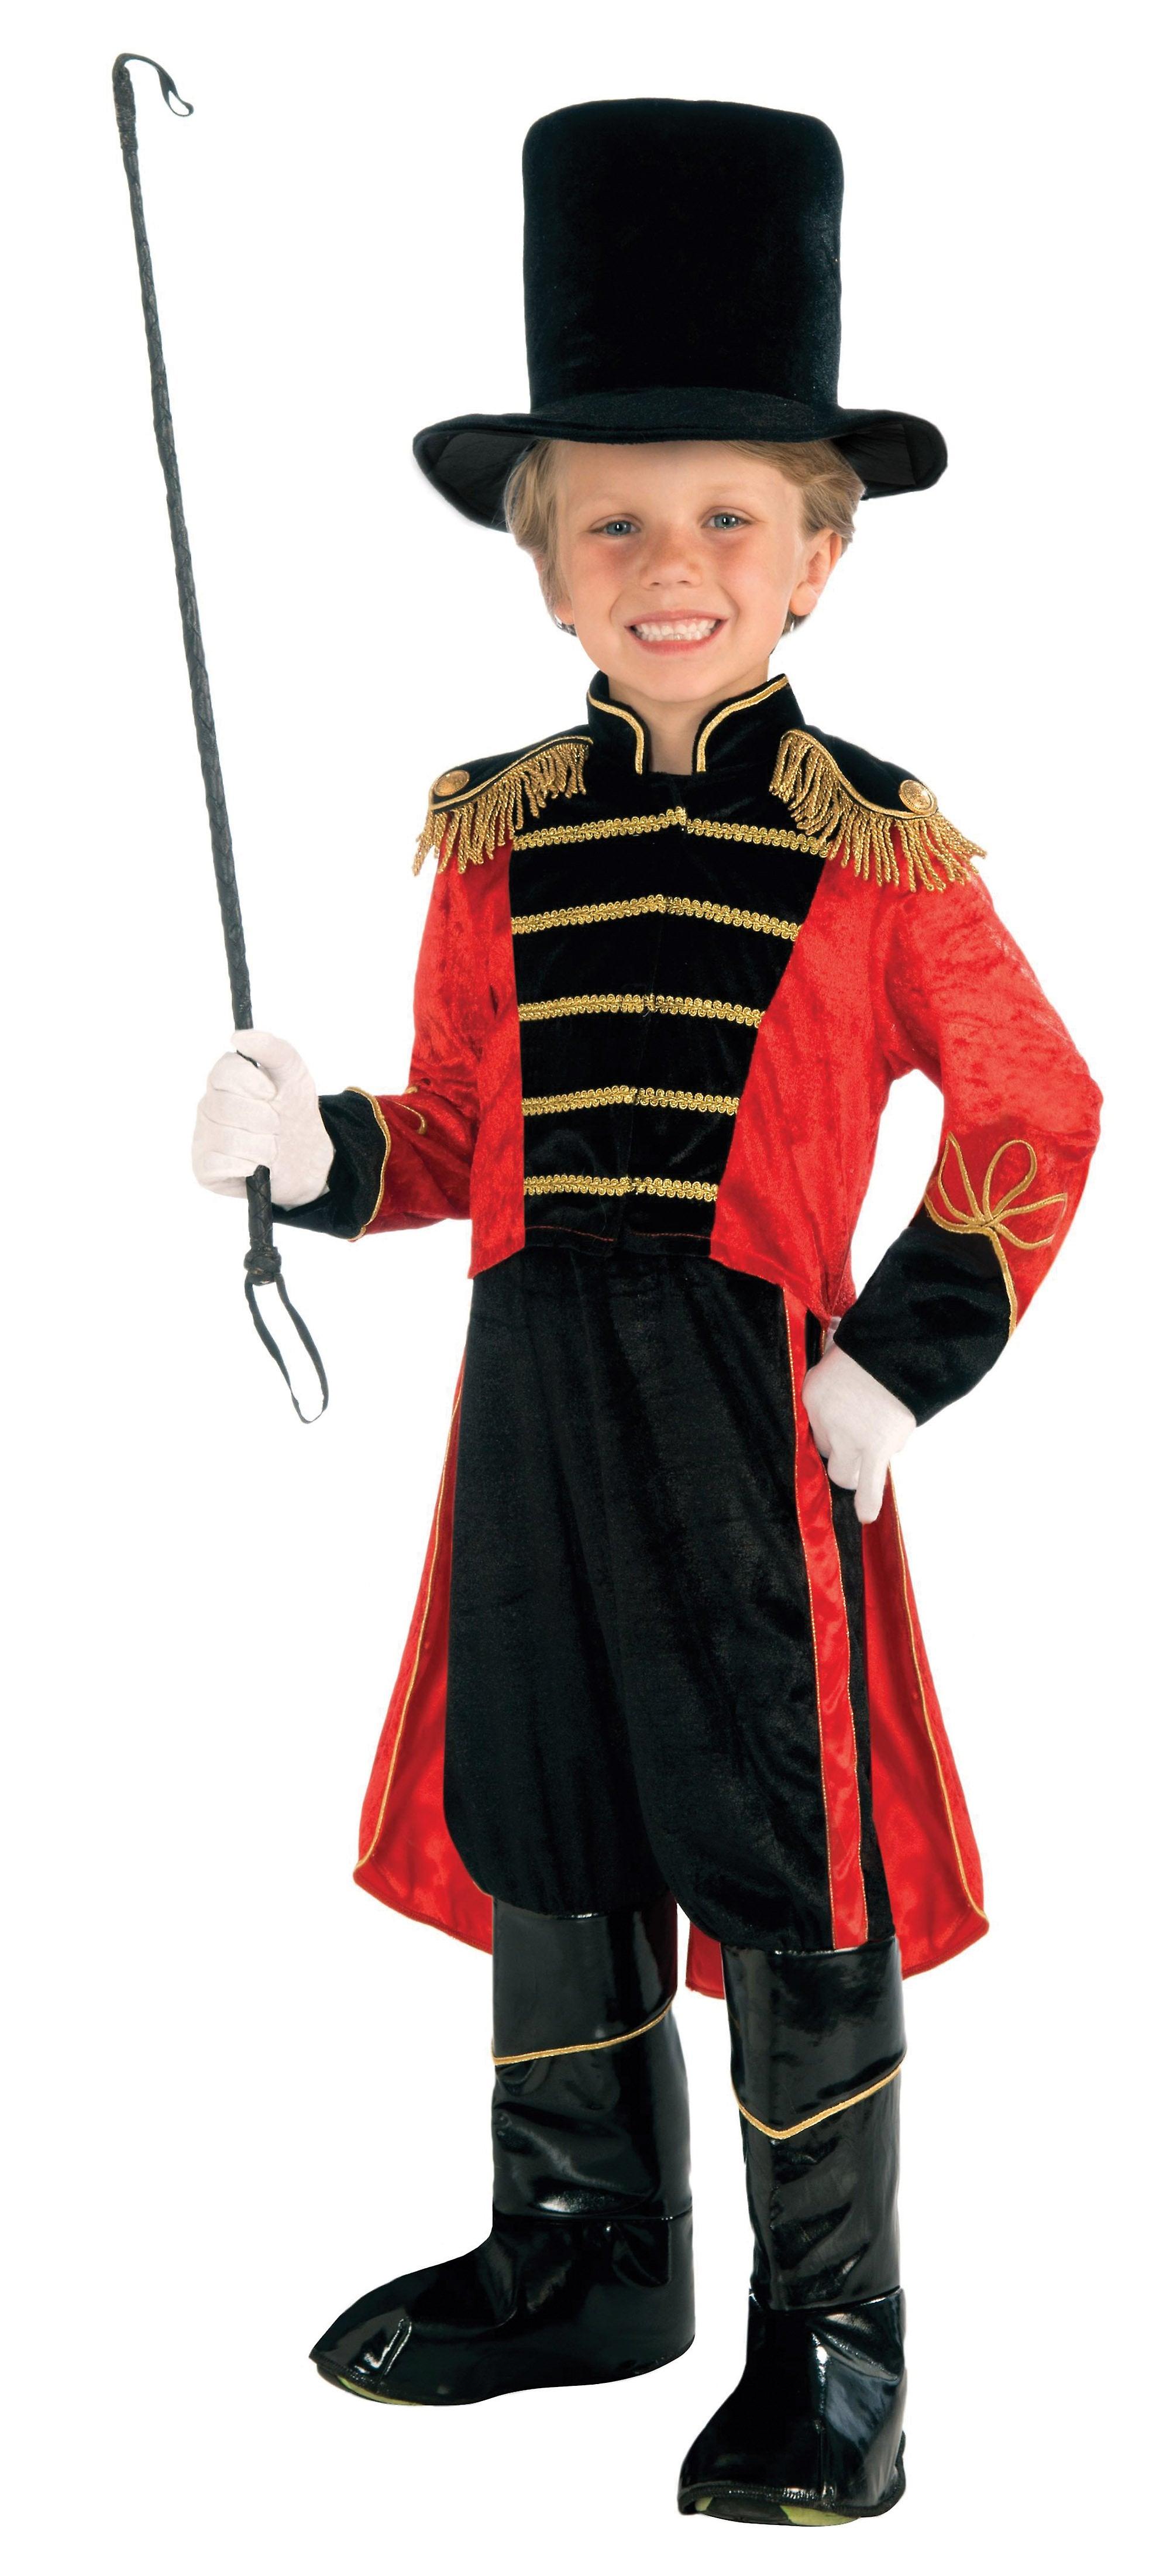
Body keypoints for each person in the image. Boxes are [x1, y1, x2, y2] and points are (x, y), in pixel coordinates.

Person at [192, 100, 1101, 2527]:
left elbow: (1035, 1109)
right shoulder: (490, 835)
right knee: (550, 1800)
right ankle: (586, 2251)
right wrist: (309, 1151)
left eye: (724, 518)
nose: (668, 566)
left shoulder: (876, 843)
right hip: (530, 1404)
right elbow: (458, 1137)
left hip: (749, 1413)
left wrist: (893, 1358)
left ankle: (835, 2337)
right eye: (612, 521)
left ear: (818, 553)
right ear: (541, 558)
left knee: (789, 1850)